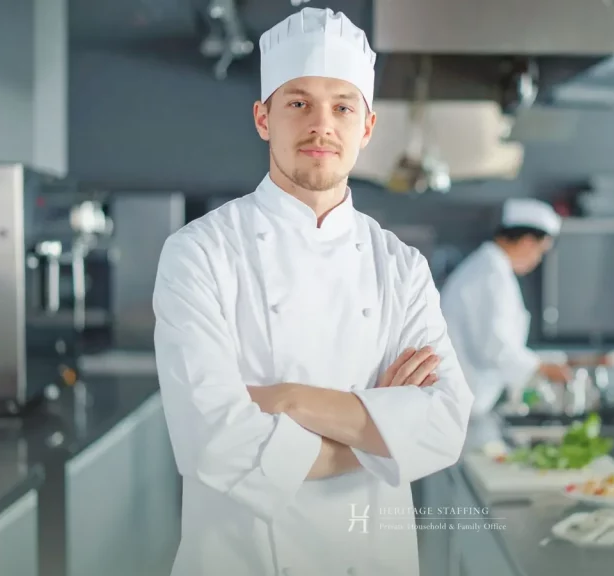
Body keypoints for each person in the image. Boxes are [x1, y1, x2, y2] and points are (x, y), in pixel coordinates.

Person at [151, 8, 474, 576]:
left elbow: (445, 425)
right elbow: (214, 441)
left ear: (366, 127)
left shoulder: (402, 267)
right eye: (298, 102)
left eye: (343, 106)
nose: (321, 124)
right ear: (263, 118)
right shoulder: (199, 253)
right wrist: (382, 441)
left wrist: (289, 398)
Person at [440, 198, 571, 416]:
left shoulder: (492, 268)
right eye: (540, 251)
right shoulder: (490, 274)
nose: (538, 260)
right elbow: (494, 346)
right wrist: (541, 367)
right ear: (527, 242)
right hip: (460, 402)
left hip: (466, 400)